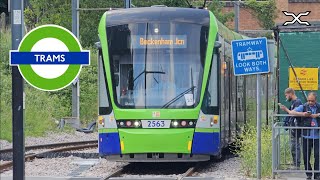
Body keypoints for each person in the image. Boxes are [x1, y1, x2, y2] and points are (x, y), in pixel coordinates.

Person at [281, 92, 320, 179]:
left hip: (317, 136)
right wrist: (304, 114)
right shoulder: (304, 106)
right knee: (306, 156)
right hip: (306, 135)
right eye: (309, 100)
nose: (310, 102)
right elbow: (292, 112)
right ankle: (309, 174)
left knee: (317, 155)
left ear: (315, 100)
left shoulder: (318, 106)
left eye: (312, 101)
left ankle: (317, 174)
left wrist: (317, 115)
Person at [282, 88, 303, 169]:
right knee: (293, 145)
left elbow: (293, 113)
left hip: (296, 127)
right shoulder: (294, 102)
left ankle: (296, 164)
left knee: (295, 145)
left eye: (286, 95)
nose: (286, 97)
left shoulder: (298, 102)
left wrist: (286, 109)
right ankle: (295, 163)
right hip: (293, 126)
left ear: (290, 93)